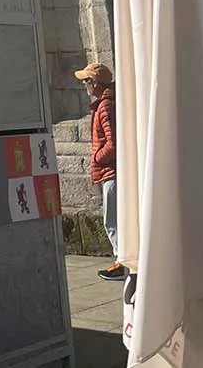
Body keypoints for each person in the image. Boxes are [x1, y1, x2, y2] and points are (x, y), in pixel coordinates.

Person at [75, 62, 125, 280]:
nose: (85, 85)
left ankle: (121, 262)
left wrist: (96, 157)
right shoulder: (106, 103)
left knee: (112, 220)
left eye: (86, 81)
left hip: (110, 172)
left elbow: (112, 143)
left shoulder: (105, 105)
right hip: (111, 171)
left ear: (94, 83)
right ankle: (122, 260)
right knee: (115, 218)